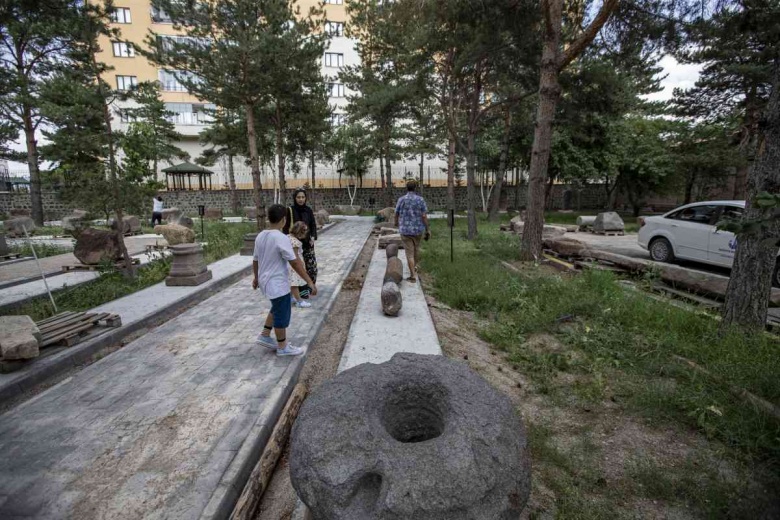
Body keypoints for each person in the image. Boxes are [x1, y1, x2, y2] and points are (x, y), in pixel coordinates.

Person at [253, 204, 318, 356]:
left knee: (276, 307)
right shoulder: (281, 238)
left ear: (269, 218)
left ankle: (264, 334)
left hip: (265, 281)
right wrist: (309, 282)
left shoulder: (260, 235)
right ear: (284, 220)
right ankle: (282, 347)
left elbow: (255, 260)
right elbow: (294, 262)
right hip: (277, 282)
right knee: (282, 313)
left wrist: (256, 278)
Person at [283, 188, 318, 298]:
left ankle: (310, 287)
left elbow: (313, 225)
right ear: (295, 198)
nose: (301, 199)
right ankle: (301, 293)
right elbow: (285, 226)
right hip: (294, 245)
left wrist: (313, 237)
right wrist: (287, 240)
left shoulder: (308, 210)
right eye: (298, 197)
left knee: (311, 268)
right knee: (298, 267)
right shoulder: (290, 210)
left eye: (303, 197)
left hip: (307, 244)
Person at [394, 180, 430, 283]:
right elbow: (424, 216)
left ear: (407, 188)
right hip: (418, 230)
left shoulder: (401, 200)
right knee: (416, 249)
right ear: (415, 188)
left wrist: (396, 223)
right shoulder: (420, 200)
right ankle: (415, 268)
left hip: (405, 230)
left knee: (409, 253)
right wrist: (427, 229)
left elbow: (396, 213)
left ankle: (412, 275)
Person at [288, 221, 313, 308]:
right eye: (304, 233)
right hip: (294, 267)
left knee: (292, 282)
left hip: (288, 265)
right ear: (300, 232)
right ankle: (299, 301)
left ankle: (290, 297)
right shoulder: (295, 242)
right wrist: (301, 264)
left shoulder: (288, 237)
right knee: (294, 283)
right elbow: (295, 256)